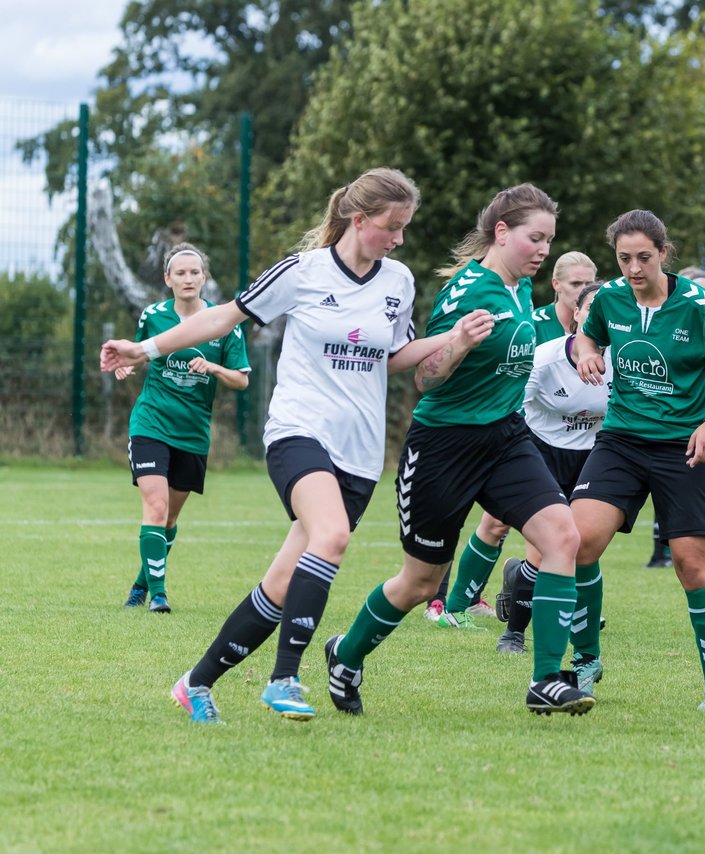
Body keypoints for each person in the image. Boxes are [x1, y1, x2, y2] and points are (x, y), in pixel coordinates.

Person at [101, 167, 489, 725]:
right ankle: (285, 677)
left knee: (283, 581)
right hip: (298, 431)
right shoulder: (302, 272)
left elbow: (397, 356)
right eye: (392, 226)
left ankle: (196, 682)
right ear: (360, 220)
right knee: (330, 537)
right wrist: (146, 347)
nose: (400, 238)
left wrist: (453, 340)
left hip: (360, 453)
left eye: (405, 227)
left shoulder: (397, 282)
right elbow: (221, 317)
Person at [323, 183, 596, 717]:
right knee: (420, 581)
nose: (543, 250)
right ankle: (346, 654)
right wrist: (459, 344)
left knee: (564, 536)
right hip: (444, 445)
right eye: (534, 239)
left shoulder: (518, 289)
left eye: (549, 241)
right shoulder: (471, 291)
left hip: (506, 438)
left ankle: (546, 680)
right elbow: (425, 378)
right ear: (501, 232)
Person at [572, 210, 705, 709]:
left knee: (692, 565)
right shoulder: (609, 298)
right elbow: (587, 335)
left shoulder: (698, 306)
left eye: (643, 257)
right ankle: (586, 660)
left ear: (663, 252)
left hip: (687, 444)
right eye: (623, 258)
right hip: (621, 440)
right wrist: (585, 352)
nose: (633, 269)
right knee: (577, 544)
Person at [428, 250, 599, 627]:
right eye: (574, 284)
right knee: (496, 522)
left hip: (577, 446)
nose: (581, 292)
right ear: (556, 286)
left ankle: (547, 604)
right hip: (522, 436)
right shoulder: (534, 324)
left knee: (565, 531)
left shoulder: (598, 330)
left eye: (588, 285)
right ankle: (456, 603)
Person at [117, 242, 251, 613]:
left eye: (195, 272)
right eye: (181, 272)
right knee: (155, 507)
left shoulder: (225, 322)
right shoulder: (154, 316)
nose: (188, 278)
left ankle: (141, 583)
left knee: (170, 518)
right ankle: (159, 595)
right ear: (168, 279)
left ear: (204, 278)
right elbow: (143, 352)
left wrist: (214, 368)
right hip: (150, 422)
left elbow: (241, 381)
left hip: (193, 432)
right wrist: (128, 364)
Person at [492, 282, 611, 666]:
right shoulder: (544, 360)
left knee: (579, 548)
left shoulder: (624, 359)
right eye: (591, 308)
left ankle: (569, 619)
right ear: (575, 314)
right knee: (545, 551)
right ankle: (513, 632)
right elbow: (510, 408)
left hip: (593, 458)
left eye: (608, 309)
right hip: (540, 452)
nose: (598, 316)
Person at [645, 265, 705, 571]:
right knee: (660, 485)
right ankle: (661, 552)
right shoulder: (669, 323)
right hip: (668, 422)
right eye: (701, 291)